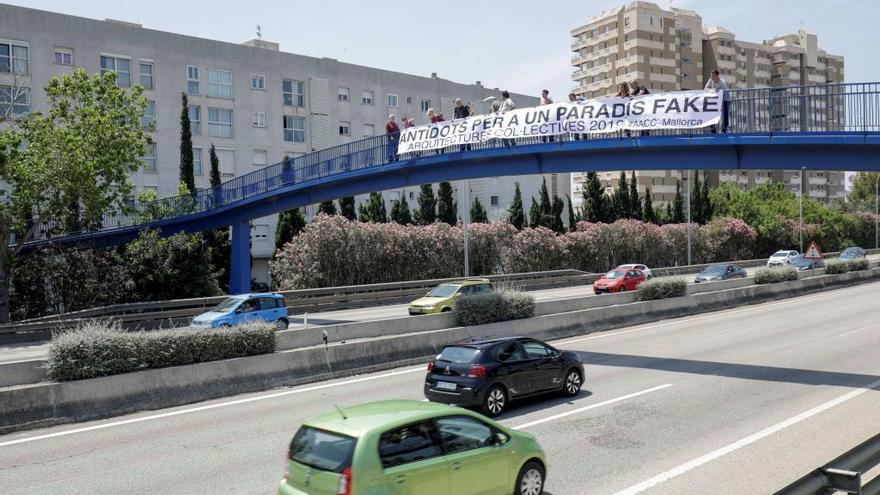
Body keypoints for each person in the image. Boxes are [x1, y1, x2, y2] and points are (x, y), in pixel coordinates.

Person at [705, 69, 730, 133]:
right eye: (711, 75)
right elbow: (705, 89)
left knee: (725, 115)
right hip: (716, 100)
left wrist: (715, 90)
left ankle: (724, 129)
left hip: (725, 100)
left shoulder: (722, 82)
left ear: (717, 76)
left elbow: (722, 92)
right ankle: (713, 129)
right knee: (712, 114)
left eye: (713, 75)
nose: (711, 77)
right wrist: (714, 90)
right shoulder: (711, 80)